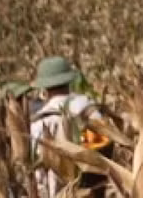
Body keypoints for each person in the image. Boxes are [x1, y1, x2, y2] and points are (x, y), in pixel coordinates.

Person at [29, 56, 103, 197]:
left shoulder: (39, 121)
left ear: (44, 88)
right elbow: (100, 149)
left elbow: (39, 170)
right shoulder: (86, 106)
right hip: (90, 189)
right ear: (69, 81)